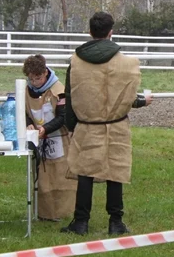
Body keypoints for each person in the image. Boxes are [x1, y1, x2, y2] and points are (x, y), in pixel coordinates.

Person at [61, 12, 152, 236]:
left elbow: (70, 96)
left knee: (85, 173)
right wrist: (143, 102)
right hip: (116, 124)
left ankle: (81, 222)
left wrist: (71, 126)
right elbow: (128, 98)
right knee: (115, 172)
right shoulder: (128, 64)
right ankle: (115, 221)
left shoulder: (76, 62)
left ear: (90, 32)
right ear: (111, 32)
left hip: (86, 124)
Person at [22, 54, 76, 221]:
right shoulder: (26, 90)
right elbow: (24, 112)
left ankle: (63, 212)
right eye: (31, 79)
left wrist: (45, 129)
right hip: (38, 139)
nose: (34, 82)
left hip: (59, 138)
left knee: (61, 177)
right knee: (42, 178)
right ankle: (43, 213)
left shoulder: (58, 90)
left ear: (45, 73)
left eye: (37, 78)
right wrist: (29, 122)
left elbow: (63, 117)